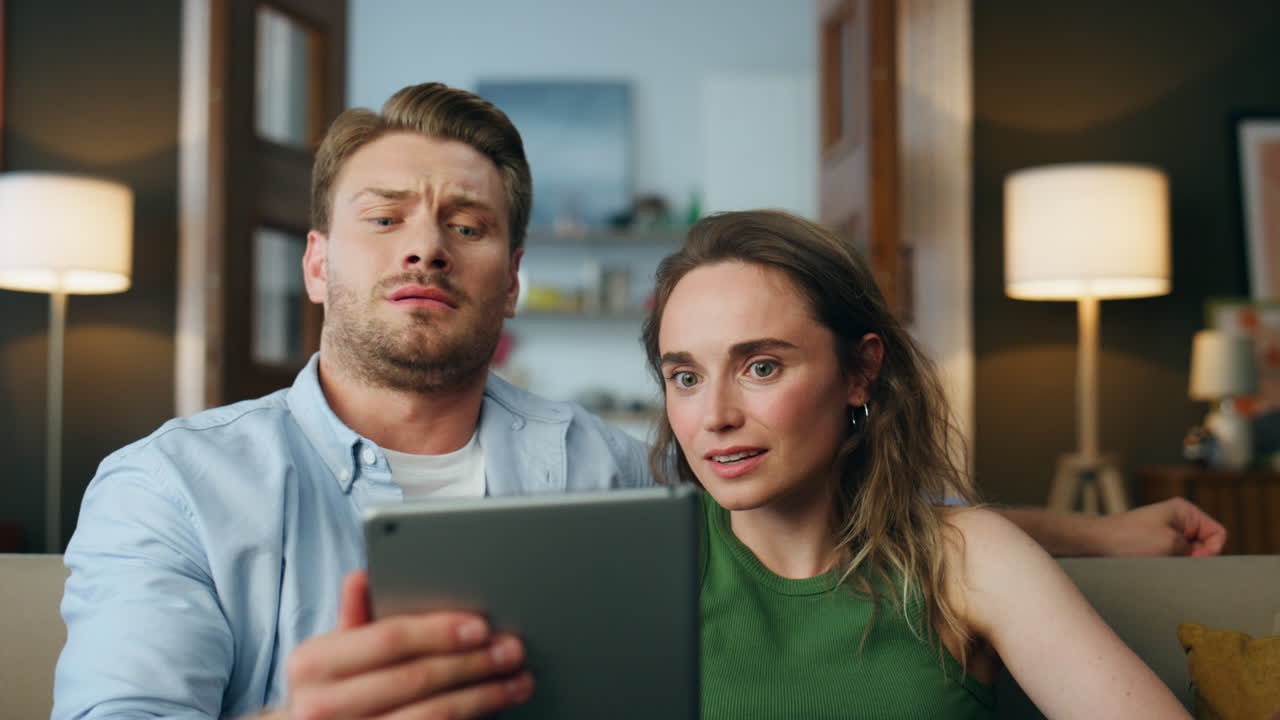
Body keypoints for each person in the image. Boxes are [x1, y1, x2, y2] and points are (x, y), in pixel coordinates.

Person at [53, 82, 1218, 720]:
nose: (425, 248)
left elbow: (834, 500)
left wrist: (1088, 535)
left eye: (466, 225)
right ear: (316, 263)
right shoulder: (172, 487)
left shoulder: (609, 471)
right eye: (383, 218)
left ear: (513, 278)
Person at [641, 209, 1191, 718]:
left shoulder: (966, 557)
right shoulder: (647, 568)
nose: (715, 416)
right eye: (686, 378)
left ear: (859, 372)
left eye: (761, 367)